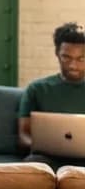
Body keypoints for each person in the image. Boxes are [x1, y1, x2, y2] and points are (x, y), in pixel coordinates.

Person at [18, 22, 85, 167]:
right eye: (66, 57)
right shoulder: (37, 89)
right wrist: (41, 147)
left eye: (81, 59)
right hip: (48, 159)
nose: (73, 65)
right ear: (57, 54)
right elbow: (23, 136)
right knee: (33, 164)